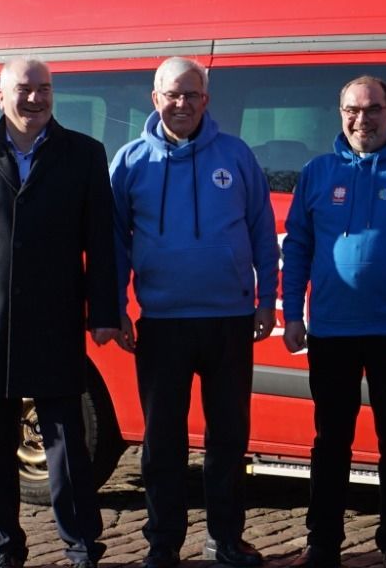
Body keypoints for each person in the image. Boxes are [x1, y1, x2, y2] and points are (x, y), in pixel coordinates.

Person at [0, 57, 122, 568]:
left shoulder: (84, 154)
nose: (35, 98)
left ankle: (82, 544)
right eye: (24, 89)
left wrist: (105, 309)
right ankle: (6, 547)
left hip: (55, 318)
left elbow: (101, 242)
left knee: (67, 445)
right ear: (0, 96)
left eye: (44, 89)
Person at [108, 57, 275, 568]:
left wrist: (266, 298)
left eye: (192, 95)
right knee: (163, 442)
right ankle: (163, 542)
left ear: (206, 100)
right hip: (162, 323)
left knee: (228, 438)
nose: (182, 104)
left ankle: (225, 538)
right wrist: (116, 307)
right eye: (172, 95)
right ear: (154, 98)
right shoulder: (131, 161)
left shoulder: (237, 155)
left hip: (228, 319)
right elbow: (114, 242)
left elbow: (262, 231)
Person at [281, 75, 386, 568]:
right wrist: (293, 313)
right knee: (330, 440)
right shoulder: (318, 172)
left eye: (373, 109)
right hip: (332, 331)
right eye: (352, 110)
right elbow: (297, 247)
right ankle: (323, 541)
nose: (363, 118)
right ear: (341, 115)